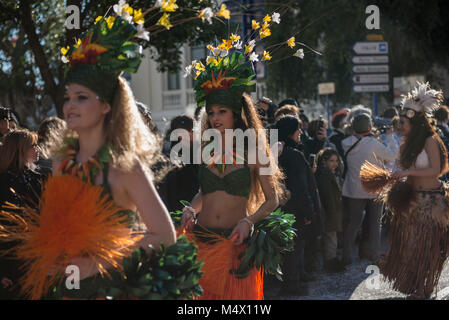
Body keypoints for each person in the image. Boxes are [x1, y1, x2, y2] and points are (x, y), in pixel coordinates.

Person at [0, 4, 178, 300]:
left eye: (81, 97)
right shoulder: (62, 162)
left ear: (107, 105)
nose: (70, 105)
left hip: (109, 290)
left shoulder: (125, 167)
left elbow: (164, 236)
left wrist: (96, 262)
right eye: (68, 96)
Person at [180, 51, 284, 300]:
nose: (215, 118)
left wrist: (248, 221)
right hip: (201, 241)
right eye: (212, 112)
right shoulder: (207, 149)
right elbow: (206, 191)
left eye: (222, 112)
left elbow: (273, 200)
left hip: (235, 244)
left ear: (236, 114)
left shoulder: (256, 151)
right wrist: (191, 209)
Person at [362, 82, 449, 299]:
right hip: (413, 201)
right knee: (411, 246)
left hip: (433, 202)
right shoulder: (407, 143)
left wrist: (406, 172)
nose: (401, 125)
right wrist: (395, 176)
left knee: (428, 248)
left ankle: (426, 288)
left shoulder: (430, 140)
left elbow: (436, 170)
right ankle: (416, 284)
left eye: (405, 122)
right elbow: (404, 168)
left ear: (416, 122)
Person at [341, 113, 399, 266]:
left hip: (353, 189)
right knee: (375, 224)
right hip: (374, 188)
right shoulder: (374, 144)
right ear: (369, 127)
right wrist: (390, 136)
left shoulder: (345, 143)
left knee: (352, 224)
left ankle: (346, 256)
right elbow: (393, 155)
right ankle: (374, 255)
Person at [275, 115, 321, 295]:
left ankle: (292, 282)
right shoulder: (293, 155)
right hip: (295, 211)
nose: (300, 132)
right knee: (294, 249)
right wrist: (309, 213)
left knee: (289, 250)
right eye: (297, 129)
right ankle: (291, 286)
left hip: (282, 209)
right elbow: (301, 189)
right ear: (289, 132)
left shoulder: (278, 152)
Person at [0, 129, 43, 299]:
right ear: (20, 149)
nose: (38, 148)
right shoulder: (3, 182)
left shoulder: (38, 179)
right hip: (10, 262)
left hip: (38, 259)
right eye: (33, 145)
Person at [314, 148, 345, 273]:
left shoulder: (328, 173)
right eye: (332, 161)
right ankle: (330, 262)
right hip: (329, 211)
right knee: (331, 237)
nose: (335, 164)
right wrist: (332, 212)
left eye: (336, 161)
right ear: (324, 161)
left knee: (331, 237)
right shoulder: (325, 175)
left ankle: (330, 261)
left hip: (331, 211)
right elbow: (328, 196)